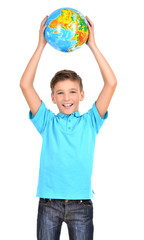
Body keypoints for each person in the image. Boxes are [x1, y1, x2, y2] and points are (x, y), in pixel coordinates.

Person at [20, 15, 117, 240]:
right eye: (60, 92)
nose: (67, 97)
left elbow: (111, 83)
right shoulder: (47, 121)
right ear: (52, 98)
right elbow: (25, 84)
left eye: (72, 91)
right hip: (49, 204)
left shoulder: (91, 121)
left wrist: (92, 44)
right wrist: (40, 46)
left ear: (81, 95)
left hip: (81, 206)